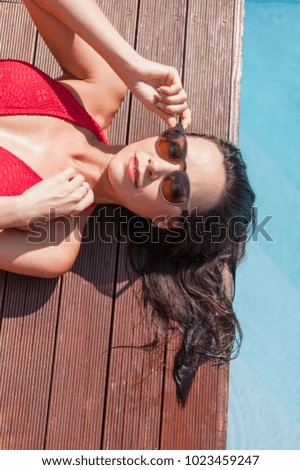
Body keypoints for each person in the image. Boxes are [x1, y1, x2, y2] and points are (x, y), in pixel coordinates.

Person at [0, 0, 255, 405]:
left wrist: (15, 211)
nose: (156, 166)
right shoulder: (100, 90)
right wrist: (129, 63)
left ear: (167, 224)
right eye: (173, 149)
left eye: (176, 189)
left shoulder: (53, 244)